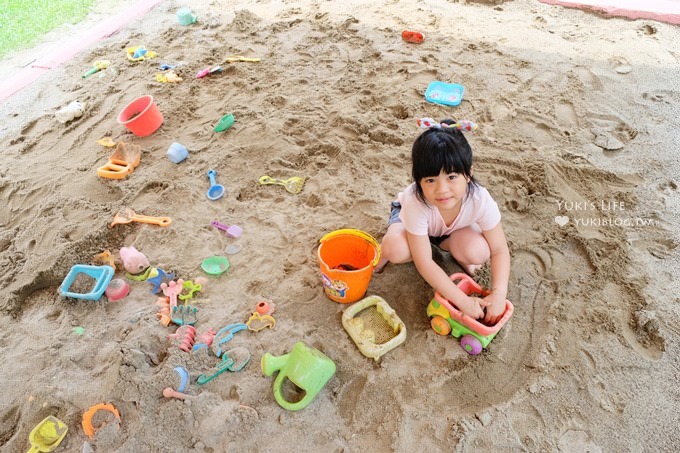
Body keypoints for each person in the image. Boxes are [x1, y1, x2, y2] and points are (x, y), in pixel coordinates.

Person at [374, 118, 510, 325]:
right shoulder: (416, 201)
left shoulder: (480, 200)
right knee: (394, 249)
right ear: (418, 181)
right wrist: (461, 300)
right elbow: (425, 263)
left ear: (469, 173)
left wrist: (499, 293)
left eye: (452, 177)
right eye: (430, 180)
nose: (442, 190)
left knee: (478, 252)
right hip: (412, 224)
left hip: (450, 231)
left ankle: (447, 247)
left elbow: (499, 249)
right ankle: (393, 247)